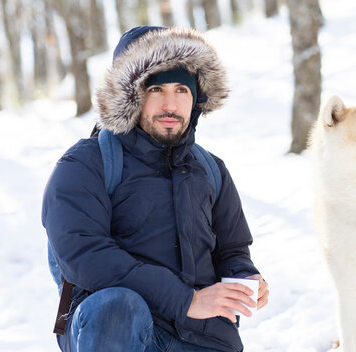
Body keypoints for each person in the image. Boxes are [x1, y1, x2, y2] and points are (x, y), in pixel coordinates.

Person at [42, 26, 269, 352]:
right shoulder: (86, 164)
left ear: (197, 98)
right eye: (155, 89)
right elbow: (86, 257)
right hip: (115, 332)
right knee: (117, 307)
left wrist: (246, 281)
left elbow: (232, 252)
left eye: (182, 90)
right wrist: (185, 300)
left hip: (203, 337)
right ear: (128, 96)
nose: (170, 105)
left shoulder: (210, 170)